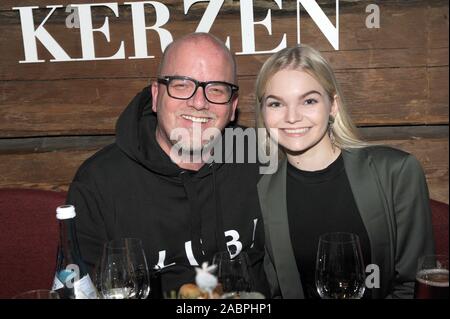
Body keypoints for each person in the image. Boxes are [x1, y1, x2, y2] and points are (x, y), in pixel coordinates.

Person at [66, 32, 268, 296]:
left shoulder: (260, 159)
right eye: (182, 85)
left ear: (232, 107)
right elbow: (82, 290)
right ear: (155, 94)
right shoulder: (99, 183)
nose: (199, 102)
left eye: (216, 89)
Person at [255, 45, 435, 299]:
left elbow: (414, 285)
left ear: (333, 105)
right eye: (276, 104)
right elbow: (276, 290)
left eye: (308, 101)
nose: (292, 117)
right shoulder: (263, 191)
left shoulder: (396, 173)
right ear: (263, 113)